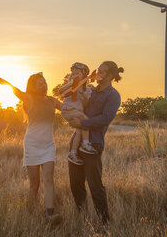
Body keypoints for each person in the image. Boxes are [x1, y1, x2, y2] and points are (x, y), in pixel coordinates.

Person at [0, 62, 63, 224]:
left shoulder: (52, 101)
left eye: (44, 82)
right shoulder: (27, 97)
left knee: (49, 179)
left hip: (48, 146)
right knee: (35, 185)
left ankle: (49, 215)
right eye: (39, 83)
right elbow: (9, 85)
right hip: (32, 145)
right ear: (33, 86)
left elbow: (67, 109)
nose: (43, 85)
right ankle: (29, 215)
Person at [67, 61, 124, 225]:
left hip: (94, 144)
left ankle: (104, 222)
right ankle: (83, 219)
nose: (98, 73)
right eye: (98, 70)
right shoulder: (90, 90)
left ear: (111, 75)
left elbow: (105, 118)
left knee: (95, 186)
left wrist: (82, 124)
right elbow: (78, 104)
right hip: (76, 143)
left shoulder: (113, 95)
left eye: (103, 72)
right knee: (75, 185)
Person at [58, 62, 98, 165]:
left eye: (77, 73)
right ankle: (85, 143)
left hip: (76, 111)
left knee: (79, 132)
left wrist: (85, 97)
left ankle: (73, 153)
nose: (74, 74)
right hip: (68, 109)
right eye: (73, 73)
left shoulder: (87, 89)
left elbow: (85, 104)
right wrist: (71, 83)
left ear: (84, 75)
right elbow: (60, 91)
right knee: (85, 119)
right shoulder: (71, 85)